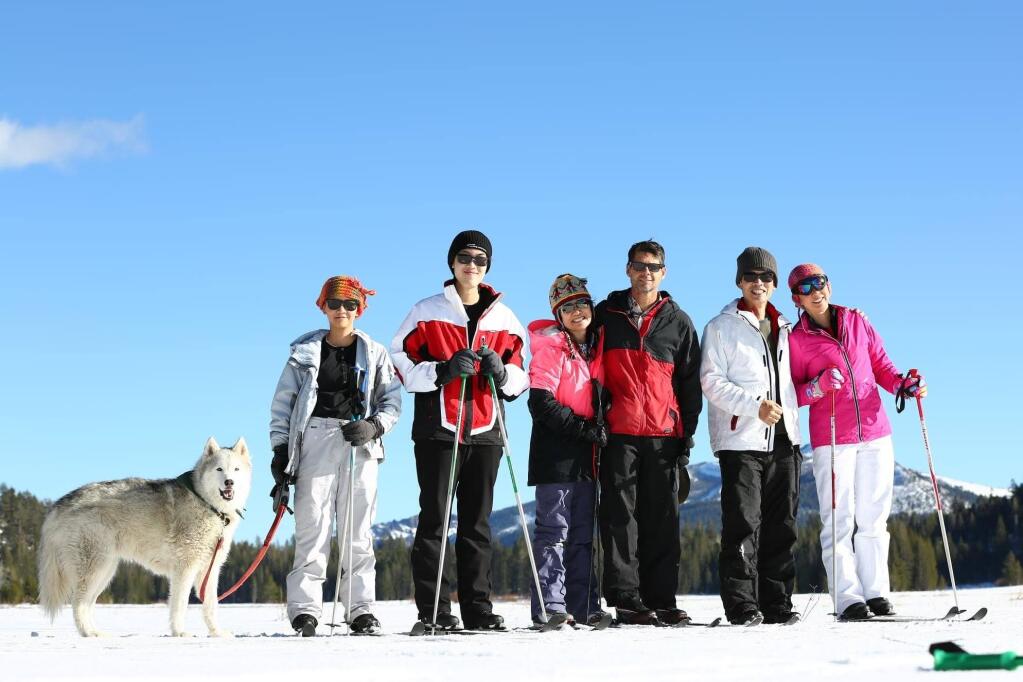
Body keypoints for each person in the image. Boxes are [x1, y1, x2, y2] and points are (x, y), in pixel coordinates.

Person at [390, 230, 529, 631]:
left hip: (485, 429)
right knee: (434, 520)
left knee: (477, 524)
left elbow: (521, 375)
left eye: (480, 259)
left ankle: (478, 609)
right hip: (439, 428)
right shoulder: (427, 310)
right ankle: (434, 610)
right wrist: (442, 370)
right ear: (452, 263)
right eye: (465, 257)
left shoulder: (504, 318)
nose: (472, 265)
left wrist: (502, 372)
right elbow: (400, 360)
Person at [787, 263, 926, 621]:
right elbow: (793, 393)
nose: (815, 290)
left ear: (829, 286)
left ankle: (876, 592)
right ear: (796, 298)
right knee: (839, 519)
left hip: (875, 431)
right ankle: (848, 597)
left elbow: (881, 365)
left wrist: (902, 385)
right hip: (833, 437)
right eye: (805, 287)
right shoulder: (796, 340)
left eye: (819, 282)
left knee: (874, 518)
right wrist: (817, 386)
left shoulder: (856, 321)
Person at [269, 275, 402, 636]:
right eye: (335, 303)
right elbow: (283, 406)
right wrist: (281, 451)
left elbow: (392, 401)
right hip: (315, 438)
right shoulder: (303, 354)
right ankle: (305, 610)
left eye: (350, 304)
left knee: (358, 530)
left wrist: (374, 426)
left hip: (360, 440)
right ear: (323, 306)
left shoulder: (375, 353)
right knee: (312, 526)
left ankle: (360, 609)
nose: (342, 310)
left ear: (360, 309)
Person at [593, 239, 702, 625]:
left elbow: (690, 384)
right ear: (627, 270)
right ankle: (626, 598)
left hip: (663, 435)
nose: (646, 272)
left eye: (653, 267)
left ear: (663, 272)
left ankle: (662, 599)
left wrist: (685, 436)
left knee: (662, 519)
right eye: (639, 265)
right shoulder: (605, 314)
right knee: (620, 519)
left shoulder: (679, 321)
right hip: (618, 433)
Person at [700, 247, 803, 626]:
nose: (758, 283)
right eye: (751, 277)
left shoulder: (789, 328)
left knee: (783, 527)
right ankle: (742, 604)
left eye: (766, 278)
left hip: (784, 441)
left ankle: (777, 603)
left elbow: (796, 380)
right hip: (742, 442)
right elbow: (710, 381)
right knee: (743, 523)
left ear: (775, 284)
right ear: (739, 281)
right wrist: (753, 405)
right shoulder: (721, 327)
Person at [525, 274, 608, 628]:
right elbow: (540, 402)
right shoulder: (551, 348)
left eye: (582, 303)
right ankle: (550, 605)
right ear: (558, 315)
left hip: (588, 456)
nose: (577, 312)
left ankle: (584, 604)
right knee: (553, 532)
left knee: (582, 534)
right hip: (556, 452)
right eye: (567, 307)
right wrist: (582, 428)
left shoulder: (596, 349)